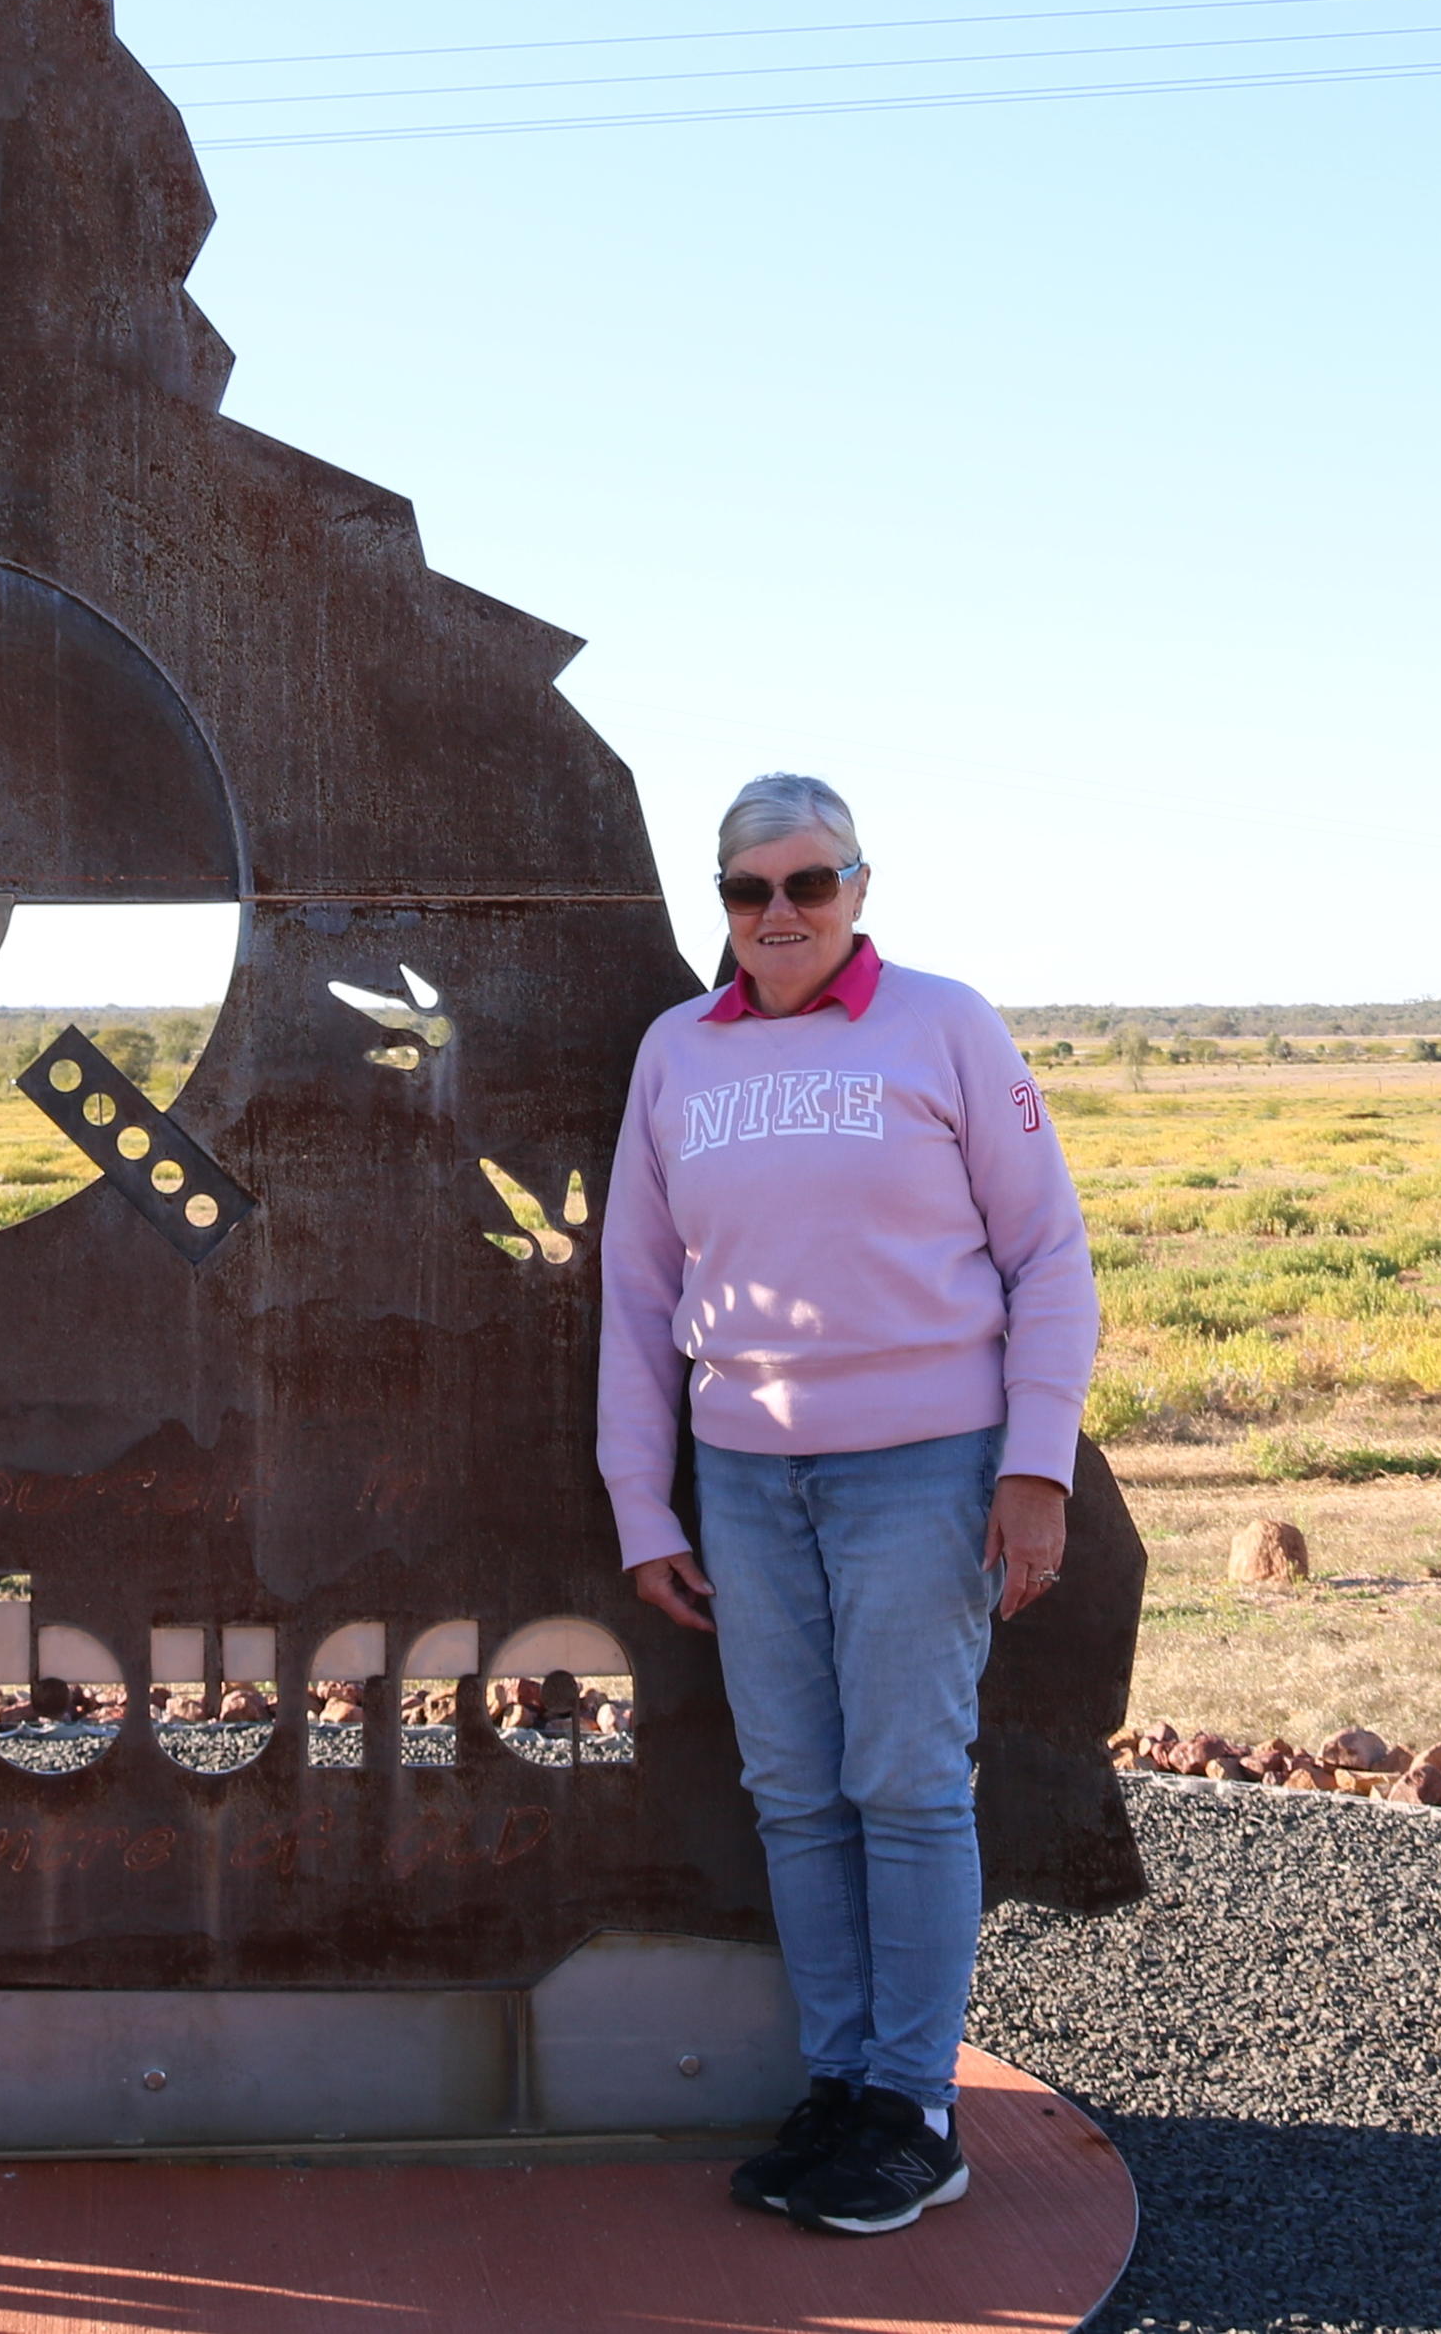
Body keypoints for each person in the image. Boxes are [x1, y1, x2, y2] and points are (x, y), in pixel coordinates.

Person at [599, 773, 1097, 2238]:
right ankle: (837, 2089)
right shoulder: (678, 1054)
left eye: (807, 884)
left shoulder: (946, 1025)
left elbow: (1050, 1259)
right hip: (747, 1480)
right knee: (797, 1796)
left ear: (861, 887)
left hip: (924, 1469)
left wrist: (1034, 1470)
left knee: (906, 1781)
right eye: (747, 891)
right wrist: (645, 1497)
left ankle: (912, 2109)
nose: (779, 916)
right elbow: (637, 1292)